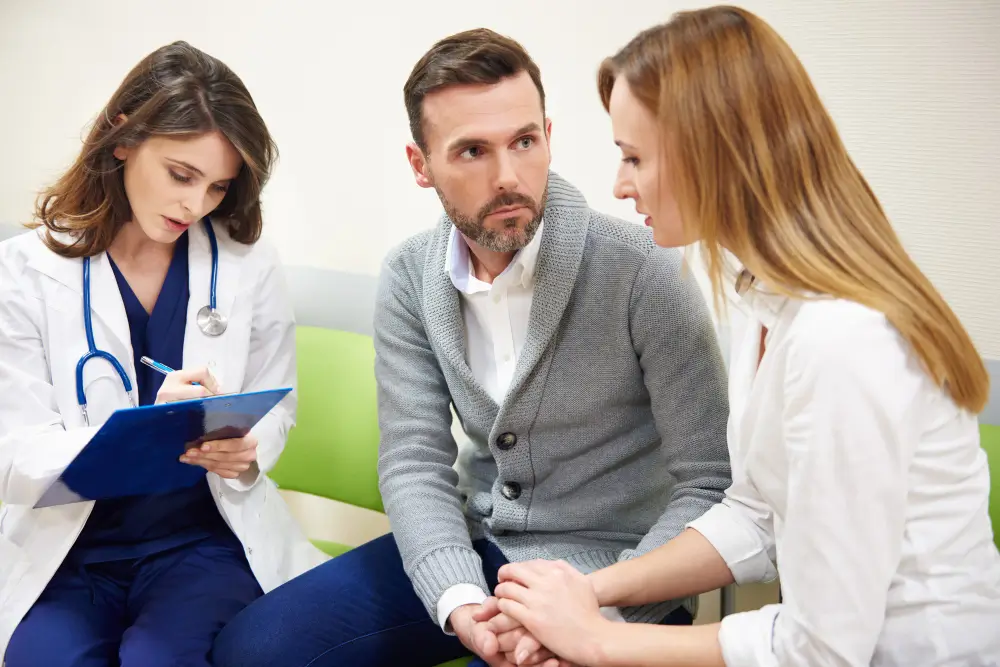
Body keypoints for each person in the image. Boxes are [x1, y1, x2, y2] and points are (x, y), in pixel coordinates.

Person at [480, 6, 1000, 667]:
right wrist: (591, 591)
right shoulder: (764, 299)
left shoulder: (841, 342)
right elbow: (754, 514)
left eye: (635, 157)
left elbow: (821, 649)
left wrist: (596, 637)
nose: (618, 183)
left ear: (715, 153)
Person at [212, 27, 732, 667]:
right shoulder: (409, 276)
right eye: (471, 152)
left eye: (524, 141)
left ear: (549, 133)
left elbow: (709, 484)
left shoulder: (644, 272)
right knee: (253, 651)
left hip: (621, 571)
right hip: (478, 545)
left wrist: (599, 617)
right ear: (420, 164)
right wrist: (459, 599)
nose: (508, 176)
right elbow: (413, 461)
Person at [0, 41, 327, 667]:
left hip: (200, 541)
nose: (195, 204)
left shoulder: (247, 265)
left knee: (160, 659)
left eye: (217, 186)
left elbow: (275, 406)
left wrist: (248, 448)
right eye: (182, 174)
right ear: (122, 137)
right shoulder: (24, 273)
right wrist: (134, 433)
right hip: (67, 549)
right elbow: (13, 453)